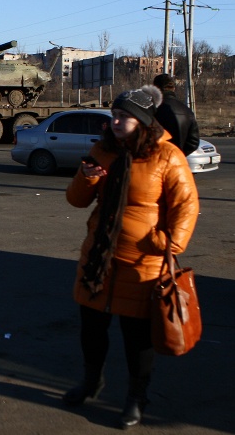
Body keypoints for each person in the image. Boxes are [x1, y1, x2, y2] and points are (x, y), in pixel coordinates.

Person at [63, 85, 200, 429]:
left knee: (137, 339)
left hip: (143, 262)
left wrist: (165, 242)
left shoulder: (167, 156)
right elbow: (77, 200)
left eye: (124, 116)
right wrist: (86, 178)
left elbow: (186, 205)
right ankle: (91, 382)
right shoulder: (103, 150)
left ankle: (136, 398)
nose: (116, 122)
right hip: (98, 258)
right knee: (91, 330)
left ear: (142, 121)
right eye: (114, 115)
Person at [153, 74, 200, 155]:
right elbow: (193, 142)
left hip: (155, 158)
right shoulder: (187, 111)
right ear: (173, 88)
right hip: (177, 159)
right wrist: (178, 154)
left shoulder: (151, 110)